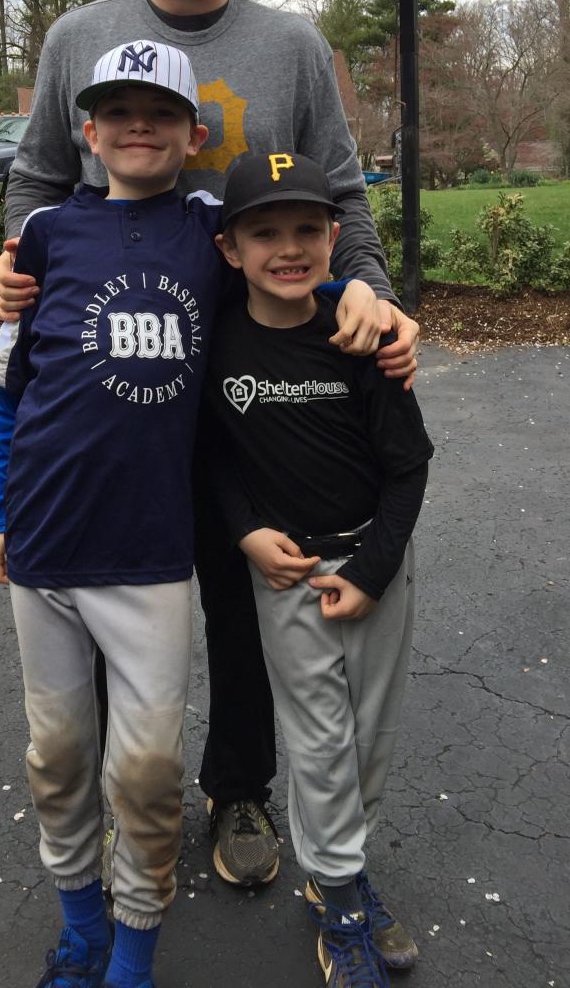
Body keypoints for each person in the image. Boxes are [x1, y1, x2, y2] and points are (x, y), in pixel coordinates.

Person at [0, 0, 422, 888]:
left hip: (247, 372)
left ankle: (237, 786)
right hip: (108, 367)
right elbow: (38, 180)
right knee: (90, 587)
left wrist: (370, 288)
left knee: (238, 586)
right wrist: (10, 262)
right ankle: (100, 803)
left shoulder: (287, 47)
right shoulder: (75, 39)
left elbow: (345, 195)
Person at [0, 40, 229, 988]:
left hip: (152, 553)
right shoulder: (44, 236)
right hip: (44, 545)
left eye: (159, 113)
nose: (137, 126)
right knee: (59, 755)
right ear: (86, 131)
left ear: (191, 134)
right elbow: (7, 391)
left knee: (150, 773)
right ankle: (81, 929)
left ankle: (133, 950)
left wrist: (356, 293)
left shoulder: (209, 229)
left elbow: (291, 265)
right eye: (117, 112)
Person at [204, 152, 434, 985]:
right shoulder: (221, 338)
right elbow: (214, 459)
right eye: (265, 233)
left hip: (376, 564)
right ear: (230, 249)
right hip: (289, 573)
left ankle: (342, 869)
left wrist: (372, 571)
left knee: (368, 736)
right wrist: (244, 534)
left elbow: (411, 464)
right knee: (319, 738)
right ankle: (340, 901)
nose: (288, 248)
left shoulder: (360, 334)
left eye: (308, 229)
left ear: (335, 238)